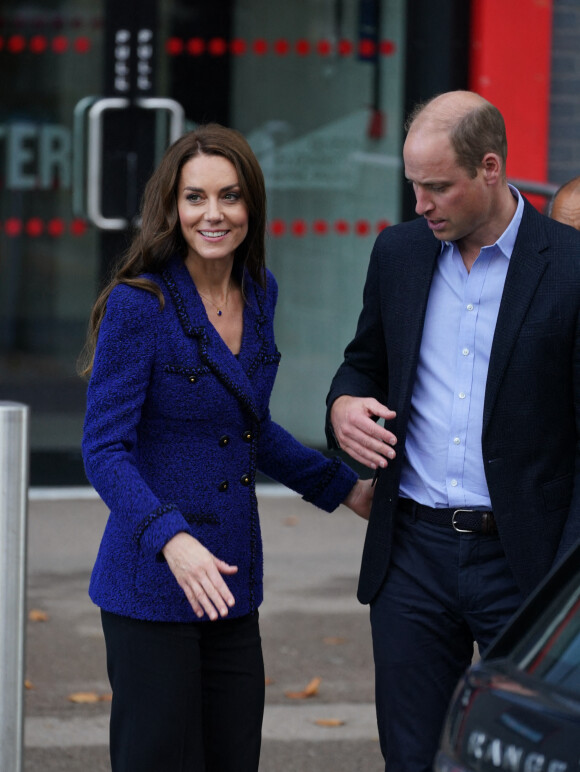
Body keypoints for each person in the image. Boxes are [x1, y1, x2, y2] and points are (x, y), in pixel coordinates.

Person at [79, 123, 373, 772]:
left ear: (251, 207)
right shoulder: (141, 305)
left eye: (230, 196)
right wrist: (172, 539)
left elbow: (251, 428)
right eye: (195, 198)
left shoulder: (261, 293)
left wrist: (345, 488)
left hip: (234, 580)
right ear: (172, 207)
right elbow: (103, 449)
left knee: (233, 758)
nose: (214, 214)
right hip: (152, 583)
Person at [326, 90, 580, 772]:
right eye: (414, 186)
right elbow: (362, 365)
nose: (421, 205)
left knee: (523, 757)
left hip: (525, 567)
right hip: (411, 556)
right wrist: (344, 407)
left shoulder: (572, 267)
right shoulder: (399, 255)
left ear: (491, 169)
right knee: (410, 757)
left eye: (438, 187)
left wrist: (567, 583)